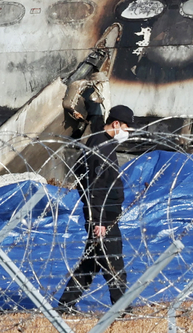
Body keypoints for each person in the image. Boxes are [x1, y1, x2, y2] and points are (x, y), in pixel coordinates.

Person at [56, 104, 134, 313]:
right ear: (116, 124)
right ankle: (122, 310)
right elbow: (96, 188)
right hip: (103, 216)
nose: (127, 134)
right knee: (113, 262)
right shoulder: (101, 148)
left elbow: (97, 120)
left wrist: (92, 105)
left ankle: (65, 306)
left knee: (91, 263)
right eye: (126, 128)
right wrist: (100, 221)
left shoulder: (101, 137)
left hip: (105, 213)